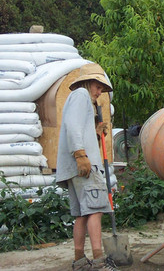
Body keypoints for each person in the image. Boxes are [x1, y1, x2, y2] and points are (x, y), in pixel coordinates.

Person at [56, 63, 118, 271]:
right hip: (84, 165)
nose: (100, 92)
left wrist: (95, 130)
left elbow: (78, 127)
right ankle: (99, 261)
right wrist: (80, 154)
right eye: (97, 86)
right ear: (86, 82)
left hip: (75, 166)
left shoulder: (79, 100)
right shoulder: (81, 95)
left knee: (82, 214)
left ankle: (80, 261)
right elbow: (72, 126)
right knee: (96, 209)